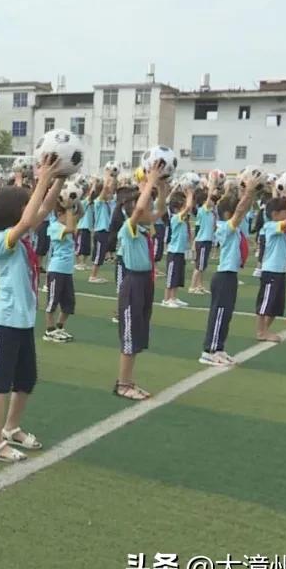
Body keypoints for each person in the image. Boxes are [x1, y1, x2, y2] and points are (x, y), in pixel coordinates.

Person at [0, 155, 63, 463]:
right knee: (0, 385)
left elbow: (41, 211)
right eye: (25, 203)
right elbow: (29, 218)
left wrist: (59, 178)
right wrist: (42, 177)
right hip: (5, 321)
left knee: (25, 380)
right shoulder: (2, 240)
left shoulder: (23, 235)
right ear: (12, 214)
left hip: (24, 320)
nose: (32, 206)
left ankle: (11, 428)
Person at [114, 160, 169, 400]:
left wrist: (163, 188)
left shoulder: (145, 228)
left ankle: (129, 381)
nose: (150, 212)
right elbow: (138, 211)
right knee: (129, 336)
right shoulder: (130, 227)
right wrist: (151, 182)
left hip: (145, 282)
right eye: (146, 207)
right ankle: (123, 384)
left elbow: (160, 210)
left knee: (138, 334)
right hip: (133, 284)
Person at [199, 178, 259, 366]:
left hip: (230, 276)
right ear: (228, 213)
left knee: (226, 314)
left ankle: (219, 348)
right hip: (223, 276)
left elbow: (244, 208)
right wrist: (248, 191)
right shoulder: (225, 227)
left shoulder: (236, 225)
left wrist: (250, 193)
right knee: (219, 313)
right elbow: (240, 211)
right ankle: (209, 351)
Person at [254, 187, 286, 341]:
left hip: (280, 271)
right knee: (265, 304)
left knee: (276, 306)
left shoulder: (284, 228)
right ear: (275, 215)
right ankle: (261, 332)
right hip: (270, 271)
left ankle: (265, 330)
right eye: (284, 212)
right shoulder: (271, 226)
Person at [44, 199, 78, 342]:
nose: (70, 217)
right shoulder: (55, 227)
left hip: (67, 270)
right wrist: (69, 209)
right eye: (66, 214)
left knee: (69, 303)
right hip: (57, 269)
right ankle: (49, 330)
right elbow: (70, 229)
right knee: (52, 302)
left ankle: (59, 326)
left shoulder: (65, 224)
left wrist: (72, 202)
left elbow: (78, 215)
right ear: (59, 214)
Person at [162, 187, 195, 308]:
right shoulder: (176, 218)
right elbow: (188, 208)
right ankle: (167, 299)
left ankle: (174, 297)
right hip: (174, 252)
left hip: (181, 252)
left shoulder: (183, 218)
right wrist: (190, 194)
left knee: (178, 277)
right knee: (171, 276)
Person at [189, 189, 217, 294]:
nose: (213, 202)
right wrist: (213, 182)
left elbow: (214, 227)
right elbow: (209, 197)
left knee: (202, 266)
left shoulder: (210, 212)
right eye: (210, 200)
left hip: (207, 241)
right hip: (203, 241)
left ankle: (200, 286)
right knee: (199, 266)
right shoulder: (203, 210)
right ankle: (192, 286)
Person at [88, 177, 115, 283]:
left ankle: (95, 274)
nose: (109, 194)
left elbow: (110, 190)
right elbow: (104, 191)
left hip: (105, 232)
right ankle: (93, 276)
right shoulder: (98, 202)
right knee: (99, 254)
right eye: (107, 193)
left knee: (100, 254)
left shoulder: (107, 203)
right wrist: (107, 178)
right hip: (100, 231)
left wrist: (112, 180)